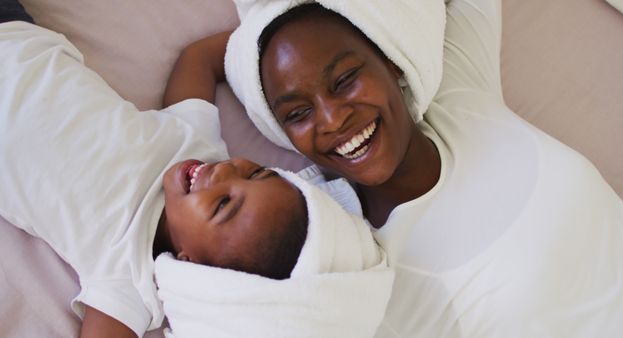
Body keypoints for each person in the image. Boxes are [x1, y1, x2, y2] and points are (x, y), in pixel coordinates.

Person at [197, 0, 623, 336]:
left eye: (345, 79)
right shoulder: (348, 258)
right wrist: (239, 49)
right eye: (296, 113)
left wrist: (270, 21)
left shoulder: (460, 96)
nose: (332, 120)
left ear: (391, 62)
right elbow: (188, 183)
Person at [0, 2, 390, 337]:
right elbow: (199, 59)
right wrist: (271, 36)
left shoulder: (129, 281)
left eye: (222, 205)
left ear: (191, 264)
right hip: (17, 37)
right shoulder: (196, 144)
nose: (223, 173)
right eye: (255, 172)